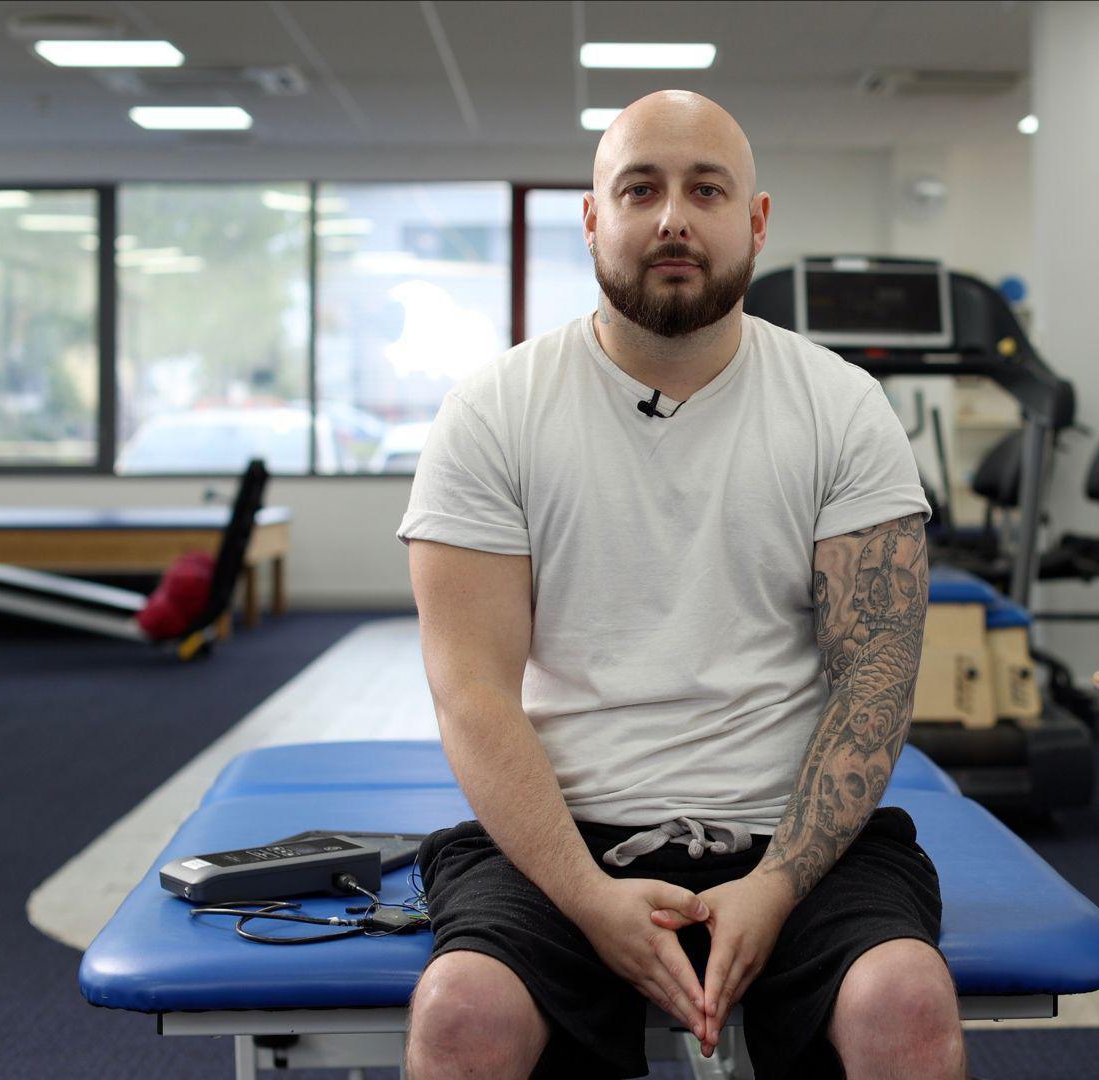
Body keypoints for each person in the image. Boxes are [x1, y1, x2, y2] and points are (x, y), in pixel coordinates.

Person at [396, 90, 964, 1080]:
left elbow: (875, 685)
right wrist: (582, 893)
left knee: (906, 1005)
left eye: (706, 189)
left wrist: (779, 883)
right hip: (562, 835)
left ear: (755, 220)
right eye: (640, 188)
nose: (672, 217)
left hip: (798, 837)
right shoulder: (493, 413)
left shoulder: (841, 410)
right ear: (592, 219)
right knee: (461, 1014)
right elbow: (473, 692)